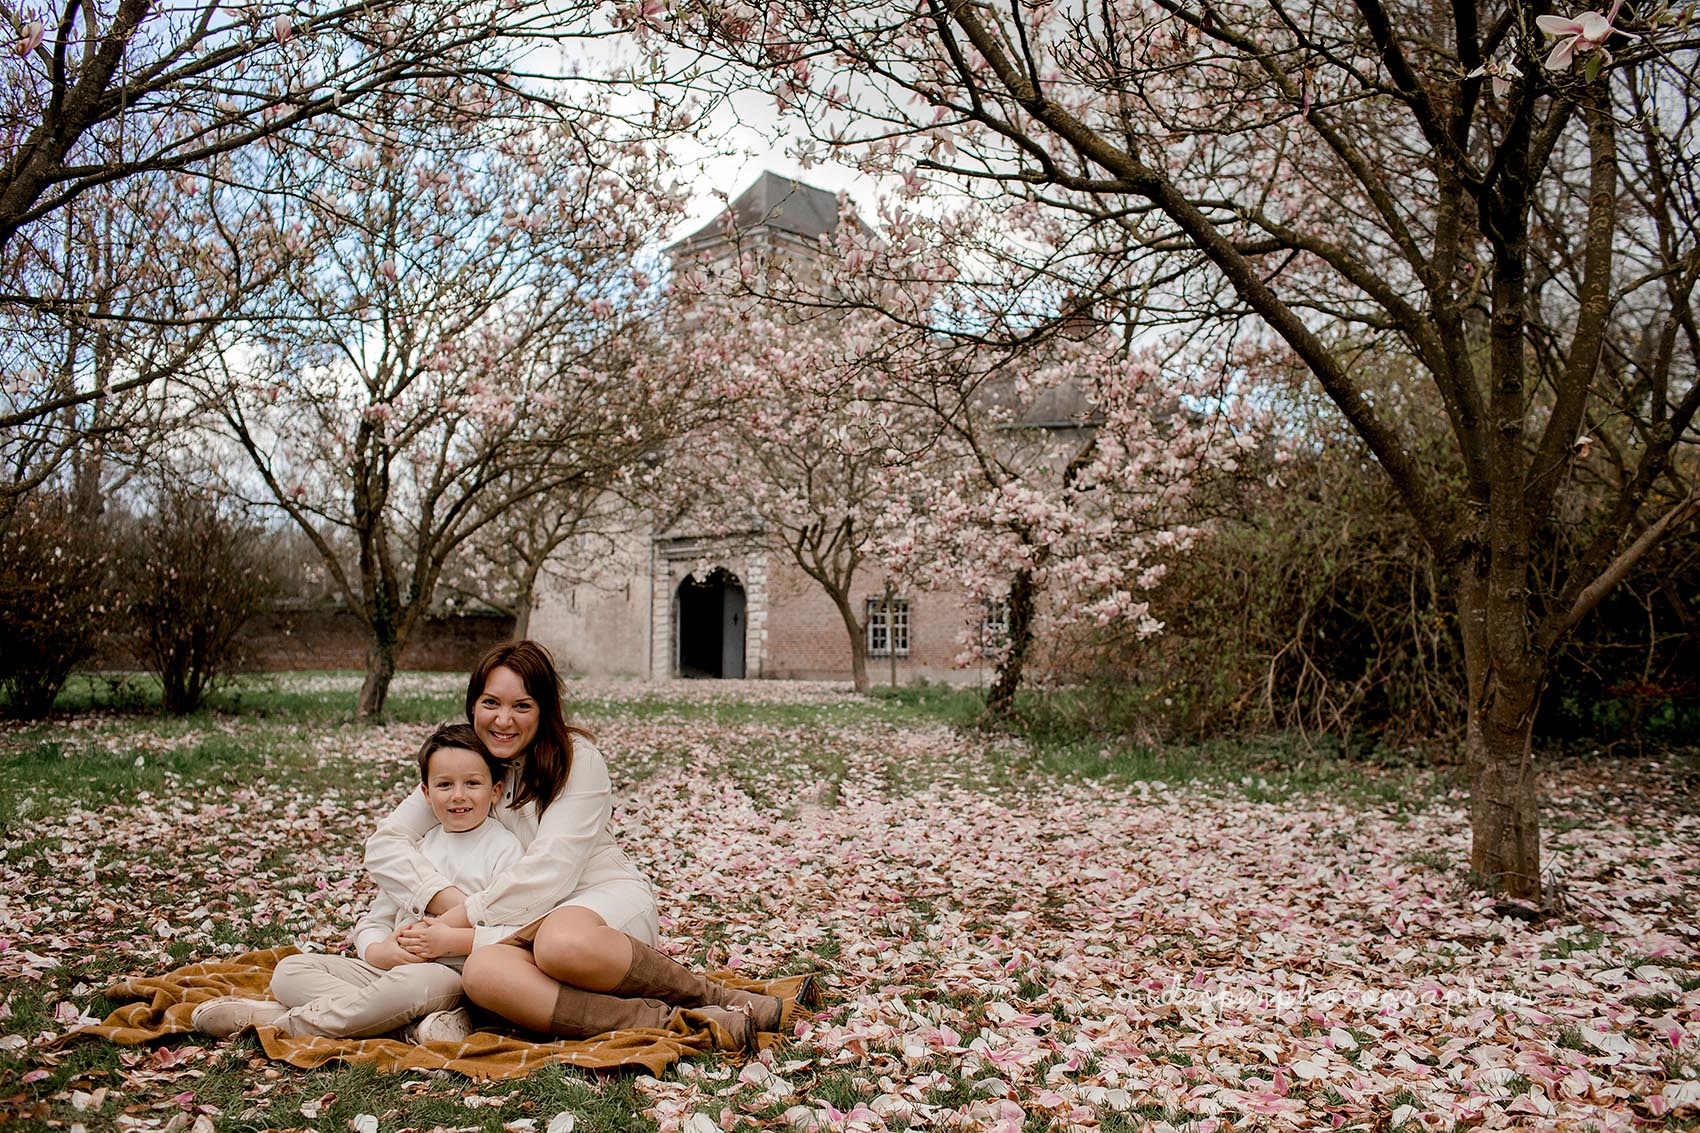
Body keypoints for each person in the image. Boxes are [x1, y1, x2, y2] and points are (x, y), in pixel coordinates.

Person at [363, 640, 783, 1050]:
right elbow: (385, 844)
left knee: (560, 943)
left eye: (521, 706)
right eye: (490, 703)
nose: (503, 720)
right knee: (482, 974)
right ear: (473, 704)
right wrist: (443, 901)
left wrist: (457, 920)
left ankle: (713, 997)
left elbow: (550, 871)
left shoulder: (577, 760)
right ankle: (678, 1023)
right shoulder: (469, 765)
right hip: (513, 924)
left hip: (594, 909)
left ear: (544, 709)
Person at [191, 724, 523, 1042]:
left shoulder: (504, 849)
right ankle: (402, 1027)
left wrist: (448, 941)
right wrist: (379, 951)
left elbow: (511, 930)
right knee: (289, 971)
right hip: (391, 969)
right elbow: (376, 918)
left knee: (408, 986)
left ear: (495, 791)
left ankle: (283, 1023)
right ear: (425, 792)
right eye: (445, 785)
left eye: (472, 784)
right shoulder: (419, 846)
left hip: (449, 976)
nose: (458, 796)